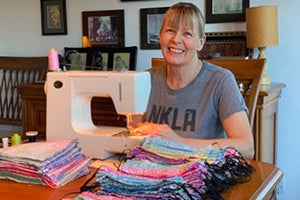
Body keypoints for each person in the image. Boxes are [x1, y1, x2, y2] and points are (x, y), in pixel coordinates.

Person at [131, 2, 254, 159]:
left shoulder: (220, 81)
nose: (176, 39)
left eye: (187, 33)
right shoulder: (145, 80)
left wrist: (179, 143)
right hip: (154, 172)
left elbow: (247, 148)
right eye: (170, 30)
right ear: (160, 36)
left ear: (201, 42)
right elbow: (133, 137)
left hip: (201, 174)